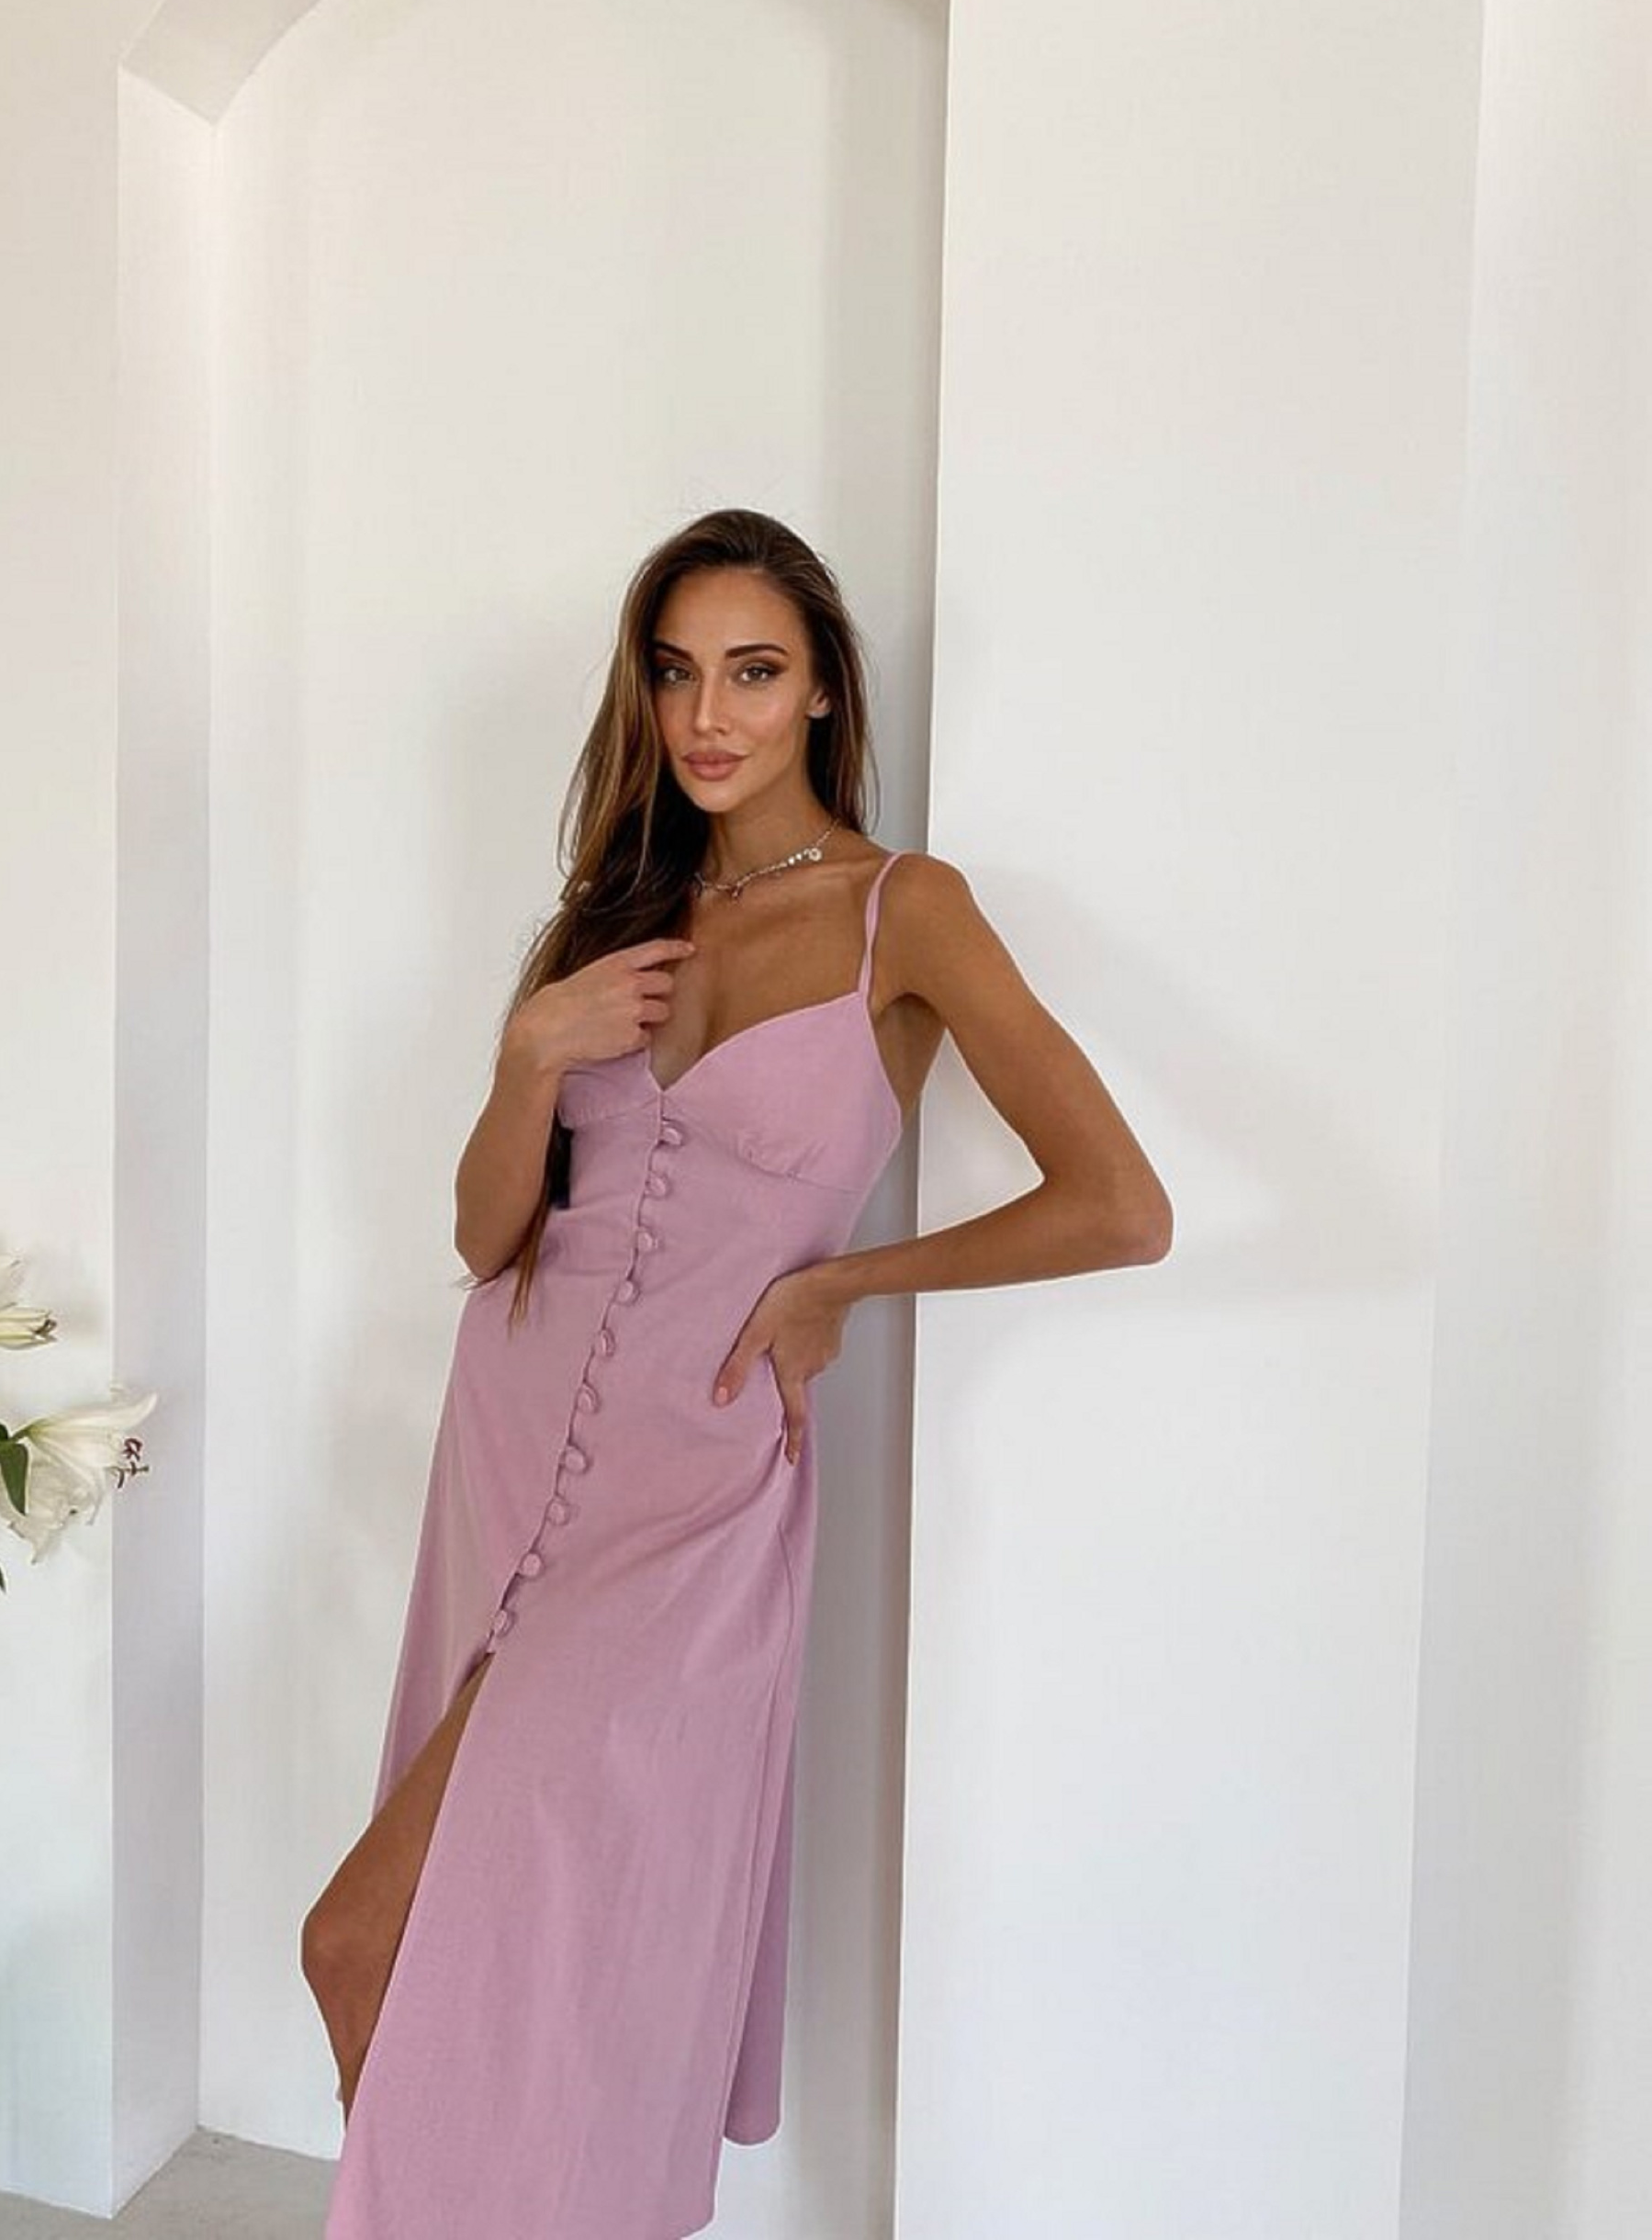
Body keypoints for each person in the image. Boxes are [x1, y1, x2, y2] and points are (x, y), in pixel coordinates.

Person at [302, 507, 1172, 2238]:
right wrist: (528, 1054)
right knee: (414, 1955)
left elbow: (1118, 1206)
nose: (710, 715)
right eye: (678, 672)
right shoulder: (611, 916)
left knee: (470, 1952)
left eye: (754, 673)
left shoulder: (904, 914)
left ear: (823, 691)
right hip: (506, 1449)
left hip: (690, 1498)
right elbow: (486, 1237)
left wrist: (841, 1282)